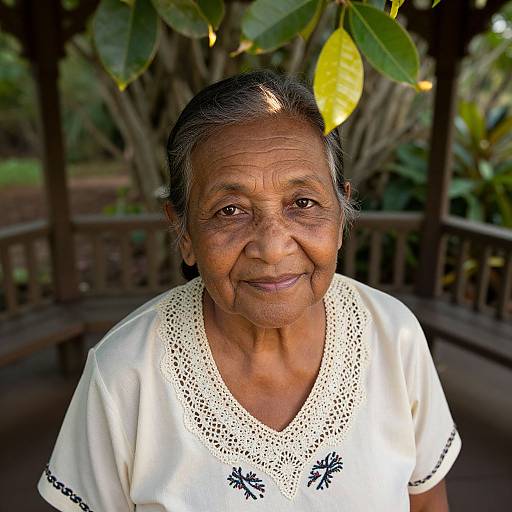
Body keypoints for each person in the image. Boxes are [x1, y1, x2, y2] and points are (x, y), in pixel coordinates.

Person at [37, 69, 461, 511]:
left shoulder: (394, 336)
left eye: (303, 203)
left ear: (340, 216)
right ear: (183, 232)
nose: (272, 247)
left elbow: (427, 503)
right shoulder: (126, 373)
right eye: (230, 210)